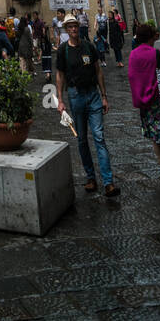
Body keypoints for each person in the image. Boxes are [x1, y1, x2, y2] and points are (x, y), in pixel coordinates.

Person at [55, 16, 120, 197]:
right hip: (75, 96)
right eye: (70, 27)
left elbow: (98, 71)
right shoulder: (63, 51)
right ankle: (91, 177)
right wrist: (60, 100)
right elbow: (60, 76)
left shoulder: (88, 46)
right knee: (82, 139)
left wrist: (104, 96)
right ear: (66, 30)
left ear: (78, 27)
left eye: (75, 26)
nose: (74, 29)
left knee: (99, 137)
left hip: (93, 95)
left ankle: (108, 182)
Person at [127, 24, 160, 189]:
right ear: (151, 37)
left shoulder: (133, 55)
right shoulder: (156, 54)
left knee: (155, 136)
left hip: (146, 104)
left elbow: (131, 77)